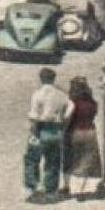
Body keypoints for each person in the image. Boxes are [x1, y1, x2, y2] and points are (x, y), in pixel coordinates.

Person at [25, 67, 71, 202]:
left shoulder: (38, 95)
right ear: (53, 79)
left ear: (41, 78)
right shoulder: (62, 96)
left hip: (41, 129)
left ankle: (33, 188)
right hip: (57, 131)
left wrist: (33, 132)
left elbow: (34, 116)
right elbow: (67, 113)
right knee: (53, 162)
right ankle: (51, 191)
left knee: (32, 160)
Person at [64, 76, 105, 199]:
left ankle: (69, 188)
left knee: (71, 160)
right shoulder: (93, 103)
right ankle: (82, 190)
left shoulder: (73, 103)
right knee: (87, 161)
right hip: (90, 132)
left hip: (75, 132)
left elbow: (67, 118)